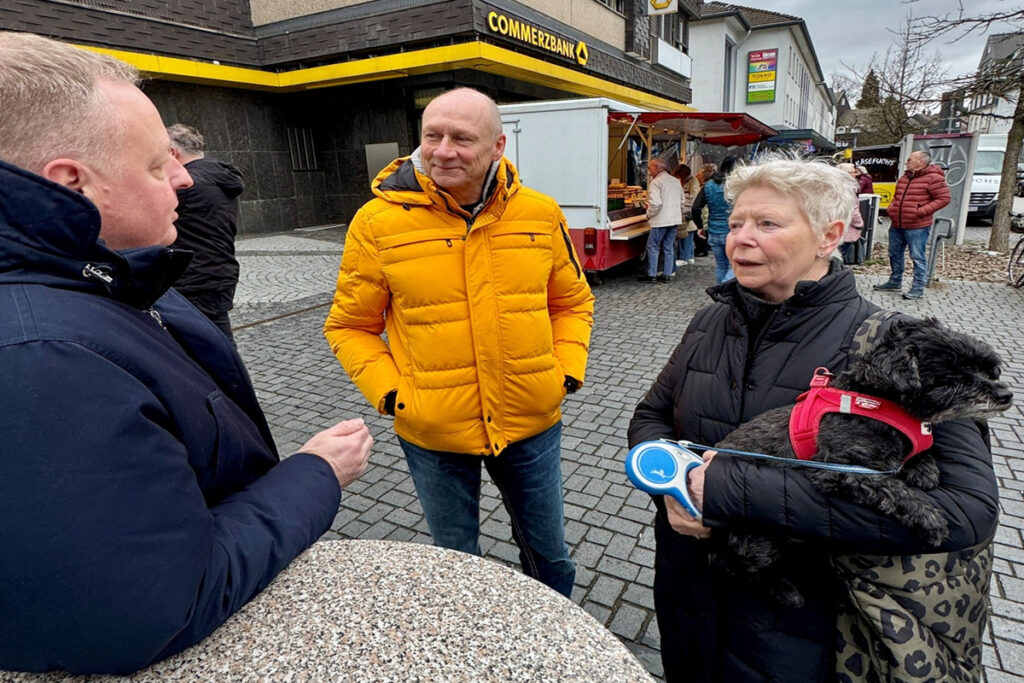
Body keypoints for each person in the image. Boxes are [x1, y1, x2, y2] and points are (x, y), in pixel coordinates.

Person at [0, 32, 373, 675]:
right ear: (73, 184)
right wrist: (314, 474)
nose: (183, 178)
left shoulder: (114, 277)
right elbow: (152, 608)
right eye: (155, 164)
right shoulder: (41, 356)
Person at [627, 156, 997, 682]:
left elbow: (965, 511)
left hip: (810, 626)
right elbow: (652, 414)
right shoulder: (710, 319)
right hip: (689, 594)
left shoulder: (896, 346)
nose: (740, 239)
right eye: (735, 224)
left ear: (830, 236)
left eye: (767, 224)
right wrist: (674, 484)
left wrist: (726, 493)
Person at [323, 88, 594, 598]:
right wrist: (394, 395)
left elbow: (572, 303)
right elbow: (349, 326)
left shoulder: (540, 214)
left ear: (498, 145)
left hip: (531, 420)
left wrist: (564, 372)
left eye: (461, 139)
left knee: (550, 557)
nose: (443, 150)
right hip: (433, 430)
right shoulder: (377, 223)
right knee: (454, 564)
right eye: (433, 135)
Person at [167, 123, 244, 342]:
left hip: (195, 280)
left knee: (211, 347)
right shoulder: (219, 177)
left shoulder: (188, 184)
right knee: (215, 341)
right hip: (218, 271)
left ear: (172, 152)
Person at [873, 149, 951, 300]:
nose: (906, 162)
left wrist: (920, 212)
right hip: (897, 223)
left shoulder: (934, 178)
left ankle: (918, 288)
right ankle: (895, 281)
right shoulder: (905, 177)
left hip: (917, 226)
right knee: (894, 254)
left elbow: (944, 199)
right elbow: (897, 197)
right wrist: (892, 208)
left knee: (917, 257)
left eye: (910, 159)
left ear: (920, 162)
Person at [692, 155, 739, 283]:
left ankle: (721, 292)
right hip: (732, 231)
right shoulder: (736, 186)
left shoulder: (708, 185)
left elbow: (696, 208)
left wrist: (700, 227)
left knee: (721, 266)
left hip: (714, 230)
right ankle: (725, 288)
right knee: (734, 266)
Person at [638, 157, 682, 282]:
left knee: (653, 246)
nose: (648, 170)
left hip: (660, 220)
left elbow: (656, 203)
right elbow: (682, 201)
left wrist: (648, 214)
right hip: (674, 219)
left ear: (657, 168)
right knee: (668, 247)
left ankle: (652, 274)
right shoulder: (676, 181)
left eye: (650, 167)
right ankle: (667, 274)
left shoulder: (656, 182)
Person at [672, 163, 700, 267]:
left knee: (686, 234)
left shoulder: (693, 182)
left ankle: (685, 257)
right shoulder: (686, 181)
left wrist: (682, 197)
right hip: (685, 211)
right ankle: (689, 256)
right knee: (685, 233)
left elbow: (694, 197)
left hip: (688, 212)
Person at [837, 163, 865, 263]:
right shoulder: (847, 188)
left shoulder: (836, 185)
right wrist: (859, 223)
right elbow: (853, 209)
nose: (855, 174)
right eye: (853, 172)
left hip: (839, 223)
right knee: (842, 255)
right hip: (846, 225)